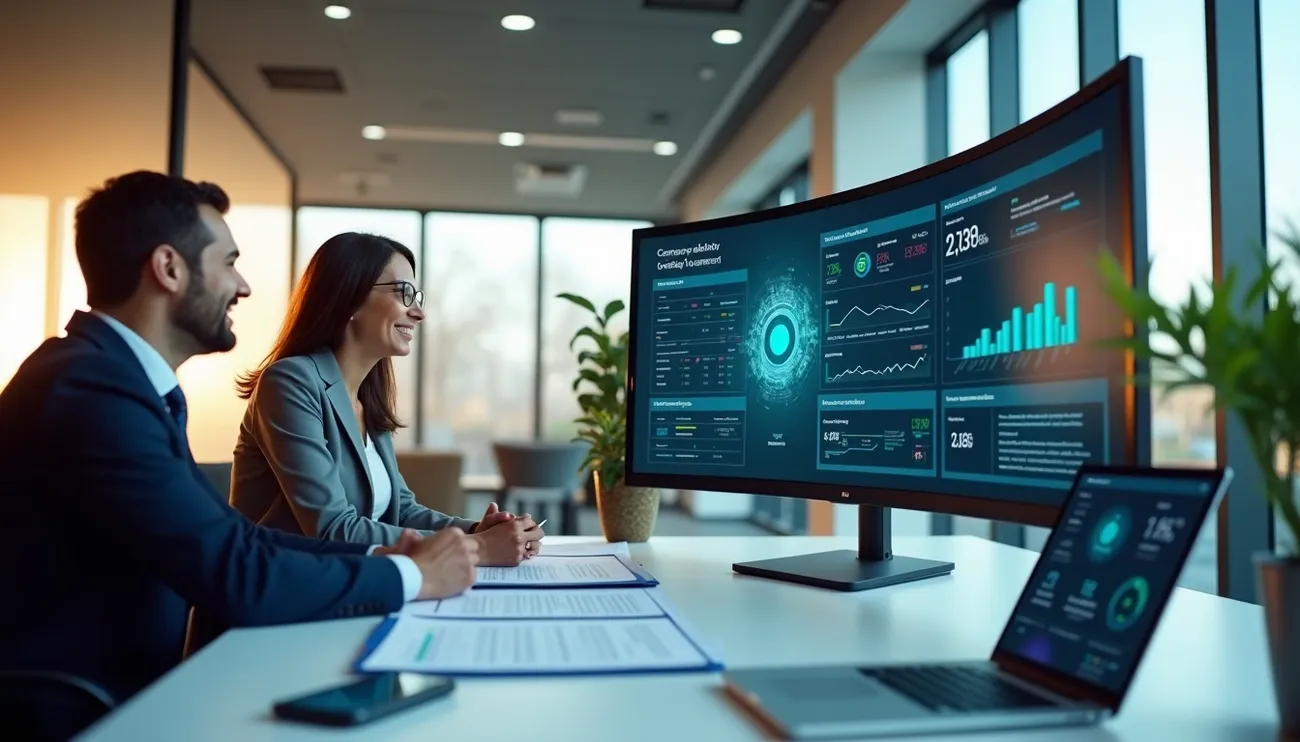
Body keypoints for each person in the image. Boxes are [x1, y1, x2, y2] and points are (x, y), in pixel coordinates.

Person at [0, 172, 478, 741]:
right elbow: (233, 565)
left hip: (145, 690)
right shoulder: (90, 388)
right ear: (169, 268)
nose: (244, 285)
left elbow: (234, 538)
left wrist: (396, 557)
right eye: (228, 262)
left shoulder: (118, 382)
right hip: (83, 711)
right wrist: (408, 573)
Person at [229, 233, 544, 567]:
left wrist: (477, 531)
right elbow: (331, 529)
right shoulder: (290, 383)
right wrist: (477, 548)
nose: (419, 312)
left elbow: (400, 510)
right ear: (349, 297)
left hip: (341, 583)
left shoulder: (366, 398)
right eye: (404, 293)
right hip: (276, 595)